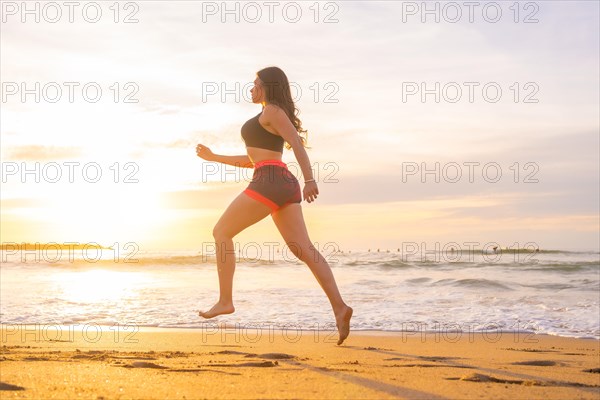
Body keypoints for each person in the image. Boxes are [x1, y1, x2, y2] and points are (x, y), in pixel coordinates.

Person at [195, 66, 353, 345]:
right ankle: (340, 308)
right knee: (304, 249)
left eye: (256, 84)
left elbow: (296, 144)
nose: (251, 88)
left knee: (221, 232)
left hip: (270, 180)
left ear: (268, 86)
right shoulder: (268, 115)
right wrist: (214, 157)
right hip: (279, 181)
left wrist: (311, 180)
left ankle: (225, 300)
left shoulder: (272, 112)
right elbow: (251, 160)